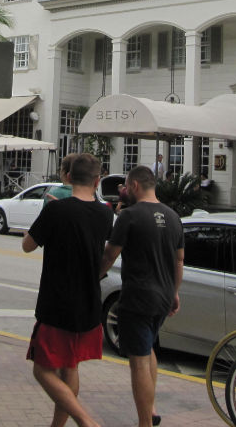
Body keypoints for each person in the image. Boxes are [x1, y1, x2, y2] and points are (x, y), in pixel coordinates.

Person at [23, 153, 113, 427]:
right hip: (88, 304)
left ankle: (86, 421)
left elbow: (27, 245)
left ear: (69, 177)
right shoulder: (105, 214)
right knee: (70, 365)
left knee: (43, 370)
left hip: (57, 303)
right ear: (97, 181)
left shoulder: (56, 210)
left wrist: (47, 214)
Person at [101, 165, 184, 427]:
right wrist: (174, 292)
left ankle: (144, 422)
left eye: (127, 185)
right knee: (147, 348)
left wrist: (94, 275)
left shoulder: (130, 216)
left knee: (137, 362)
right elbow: (179, 260)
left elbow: (110, 254)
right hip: (162, 297)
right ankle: (152, 409)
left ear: (135, 186)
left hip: (138, 297)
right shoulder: (173, 217)